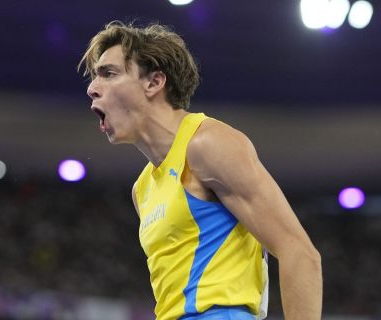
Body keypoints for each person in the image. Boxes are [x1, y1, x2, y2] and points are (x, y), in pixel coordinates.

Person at [78, 21, 322, 320]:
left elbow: (300, 252)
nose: (92, 88)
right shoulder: (141, 189)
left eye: (109, 74)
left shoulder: (207, 143)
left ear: (154, 82)